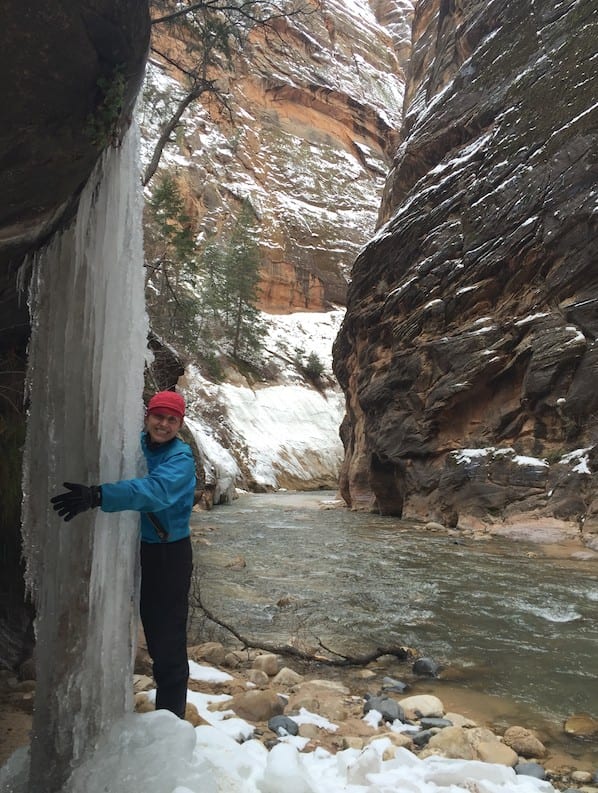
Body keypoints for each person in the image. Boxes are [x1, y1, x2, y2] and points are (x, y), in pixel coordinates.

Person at [51, 390, 196, 719]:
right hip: (134, 544)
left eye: (171, 419)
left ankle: (170, 723)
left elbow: (155, 491)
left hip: (167, 555)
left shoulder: (180, 458)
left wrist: (98, 495)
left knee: (166, 640)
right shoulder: (136, 444)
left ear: (179, 424)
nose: (163, 424)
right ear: (147, 417)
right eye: (158, 416)